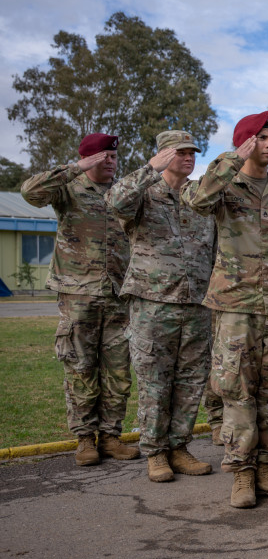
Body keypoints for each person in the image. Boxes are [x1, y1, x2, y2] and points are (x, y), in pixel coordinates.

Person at [183, 111, 268, 509]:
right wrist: (233, 158)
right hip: (235, 305)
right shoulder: (224, 186)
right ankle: (241, 474)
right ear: (246, 142)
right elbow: (198, 200)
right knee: (236, 389)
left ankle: (266, 470)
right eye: (261, 138)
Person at [21, 133, 137, 466]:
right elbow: (30, 192)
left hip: (117, 296)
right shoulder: (68, 190)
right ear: (90, 160)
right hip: (78, 294)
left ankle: (111, 437)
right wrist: (76, 168)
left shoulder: (121, 194)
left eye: (115, 157)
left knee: (118, 372)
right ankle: (85, 440)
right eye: (105, 157)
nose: (112, 161)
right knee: (80, 368)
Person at [107, 130, 215, 482]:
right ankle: (155, 452)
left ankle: (179, 447)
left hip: (196, 303)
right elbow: (114, 203)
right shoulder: (144, 193)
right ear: (164, 154)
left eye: (192, 152)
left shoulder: (199, 197)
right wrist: (148, 169)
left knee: (191, 379)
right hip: (154, 303)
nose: (188, 157)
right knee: (155, 381)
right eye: (180, 152)